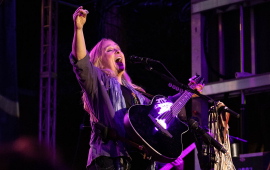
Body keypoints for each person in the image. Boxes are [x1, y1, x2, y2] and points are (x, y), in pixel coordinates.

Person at [71, 6, 203, 170]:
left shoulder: (138, 94)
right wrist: (79, 29)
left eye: (118, 49)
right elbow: (81, 63)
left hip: (136, 162)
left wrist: (189, 91)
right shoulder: (99, 83)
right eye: (110, 50)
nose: (118, 51)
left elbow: (164, 108)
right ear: (99, 60)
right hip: (110, 160)